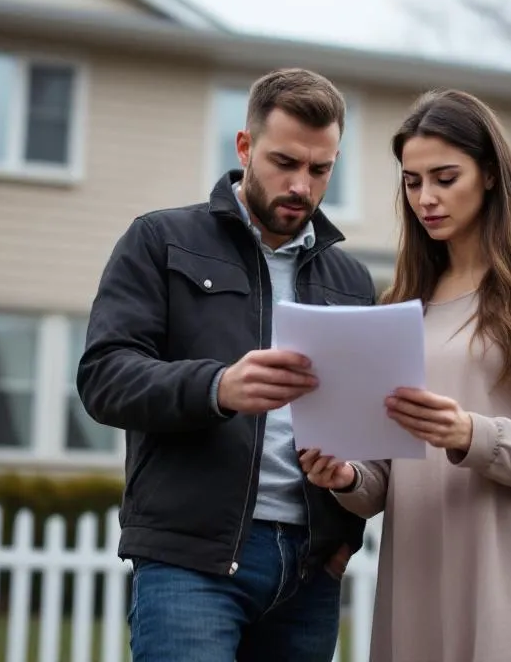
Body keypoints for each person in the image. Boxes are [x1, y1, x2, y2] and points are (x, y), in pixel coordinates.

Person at [77, 67, 377, 662]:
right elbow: (103, 376)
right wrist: (218, 386)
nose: (302, 185)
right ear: (244, 147)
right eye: (284, 162)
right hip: (192, 560)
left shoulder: (352, 280)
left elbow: (365, 425)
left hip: (310, 572)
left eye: (320, 170)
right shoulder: (160, 240)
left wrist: (345, 540)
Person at [298, 89, 511, 661]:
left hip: (509, 572)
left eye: (445, 177)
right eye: (413, 182)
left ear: (489, 174)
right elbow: (385, 473)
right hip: (418, 569)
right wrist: (346, 477)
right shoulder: (402, 302)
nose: (426, 198)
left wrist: (472, 434)